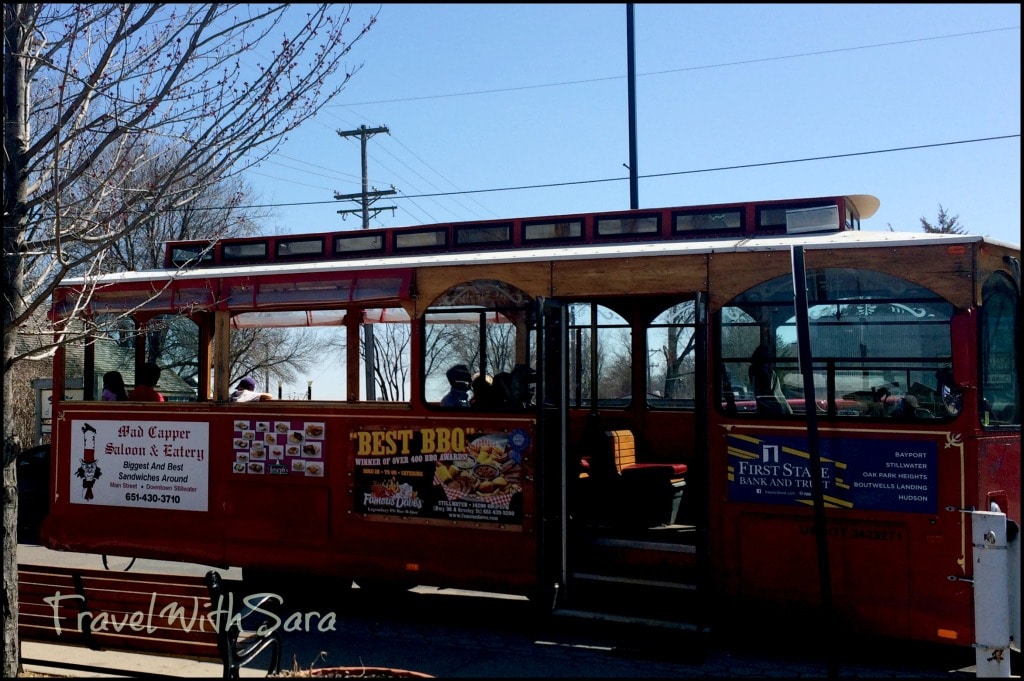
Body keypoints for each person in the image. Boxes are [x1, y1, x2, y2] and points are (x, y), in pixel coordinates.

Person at [748, 344, 791, 415]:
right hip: (775, 408)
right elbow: (768, 391)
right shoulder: (762, 371)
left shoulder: (757, 370)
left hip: (774, 407)